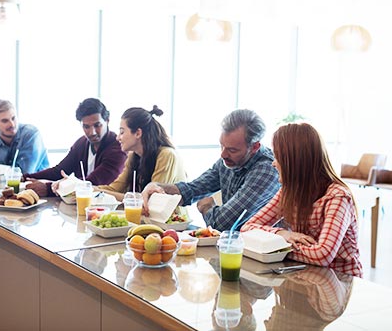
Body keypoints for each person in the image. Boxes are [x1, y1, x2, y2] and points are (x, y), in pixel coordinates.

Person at [241, 122, 363, 277]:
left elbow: (322, 255)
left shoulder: (337, 197)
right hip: (305, 276)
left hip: (341, 283)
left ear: (295, 162)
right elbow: (247, 228)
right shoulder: (290, 191)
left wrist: (274, 248)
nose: (273, 163)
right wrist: (282, 234)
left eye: (278, 158)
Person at [142, 109, 280, 232]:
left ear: (255, 147)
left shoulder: (266, 169)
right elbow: (192, 189)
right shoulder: (228, 160)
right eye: (222, 146)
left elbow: (223, 224)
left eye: (232, 150)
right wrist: (157, 187)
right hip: (235, 247)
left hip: (265, 253)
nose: (223, 155)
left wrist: (206, 207)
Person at [23, 98, 127, 197]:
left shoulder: (118, 148)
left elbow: (93, 182)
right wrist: (26, 177)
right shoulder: (81, 143)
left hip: (108, 207)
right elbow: (59, 170)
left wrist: (49, 188)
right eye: (86, 127)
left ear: (107, 121)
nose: (92, 132)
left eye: (97, 125)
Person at [95, 105, 186, 201]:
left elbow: (151, 200)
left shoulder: (167, 155)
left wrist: (99, 192)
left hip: (171, 216)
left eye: (122, 132)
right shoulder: (134, 156)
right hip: (146, 215)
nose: (118, 138)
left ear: (138, 133)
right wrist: (90, 189)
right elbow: (115, 188)